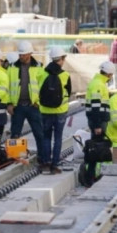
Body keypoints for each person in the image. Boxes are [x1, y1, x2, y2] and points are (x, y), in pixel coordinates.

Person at [5, 42, 44, 165]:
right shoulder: (12, 67)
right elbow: (6, 87)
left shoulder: (39, 67)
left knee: (39, 133)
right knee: (15, 133)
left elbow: (42, 86)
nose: (21, 57)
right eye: (20, 54)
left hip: (34, 106)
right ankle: (15, 158)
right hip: (18, 106)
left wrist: (39, 102)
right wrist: (9, 104)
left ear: (30, 53)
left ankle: (42, 158)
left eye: (24, 54)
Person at [38, 46, 72, 174]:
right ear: (62, 59)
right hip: (60, 111)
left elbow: (38, 91)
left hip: (45, 111)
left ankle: (46, 163)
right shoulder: (65, 75)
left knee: (46, 137)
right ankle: (55, 165)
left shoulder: (41, 73)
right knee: (58, 138)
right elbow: (68, 93)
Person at [81, 60, 115, 186]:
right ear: (109, 74)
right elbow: (95, 107)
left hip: (99, 121)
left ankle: (93, 175)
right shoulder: (98, 85)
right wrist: (97, 126)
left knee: (97, 150)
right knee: (95, 151)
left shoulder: (99, 83)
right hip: (98, 122)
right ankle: (90, 177)